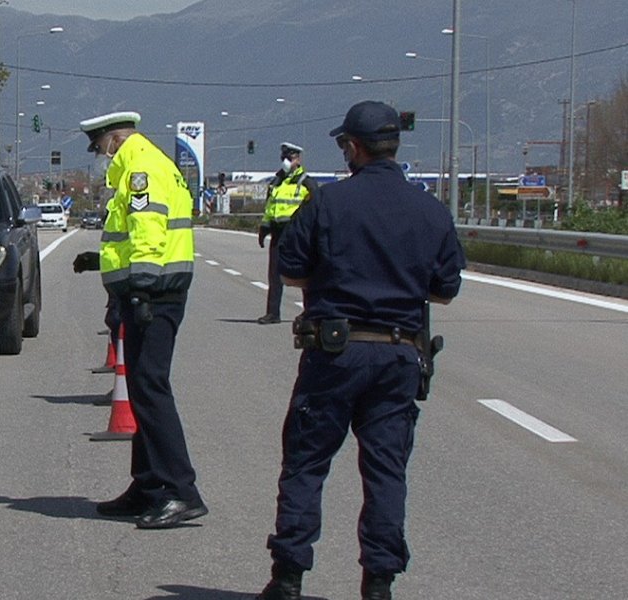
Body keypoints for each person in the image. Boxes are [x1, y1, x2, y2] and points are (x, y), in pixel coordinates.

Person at [255, 101, 465, 600]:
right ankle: (378, 584)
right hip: (399, 356)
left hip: (335, 354)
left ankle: (288, 578)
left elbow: (290, 271)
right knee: (386, 471)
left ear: (353, 147)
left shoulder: (328, 203)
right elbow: (445, 288)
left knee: (307, 463)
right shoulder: (430, 209)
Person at [74, 111, 207, 529]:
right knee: (143, 387)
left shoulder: (141, 169)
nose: (99, 157)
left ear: (113, 140)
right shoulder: (142, 162)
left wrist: (142, 288)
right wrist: (103, 261)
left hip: (155, 294)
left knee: (151, 388)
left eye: (98, 148)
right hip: (150, 289)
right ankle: (148, 484)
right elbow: (135, 236)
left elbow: (149, 232)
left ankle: (180, 490)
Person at [256, 142, 318, 324]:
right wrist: (264, 228)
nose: (286, 161)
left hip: (297, 233)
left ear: (298, 159)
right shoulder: (276, 182)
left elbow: (316, 208)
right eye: (284, 158)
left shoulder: (307, 182)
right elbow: (270, 207)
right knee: (274, 274)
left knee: (303, 274)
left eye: (289, 158)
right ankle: (273, 313)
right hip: (277, 232)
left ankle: (310, 312)